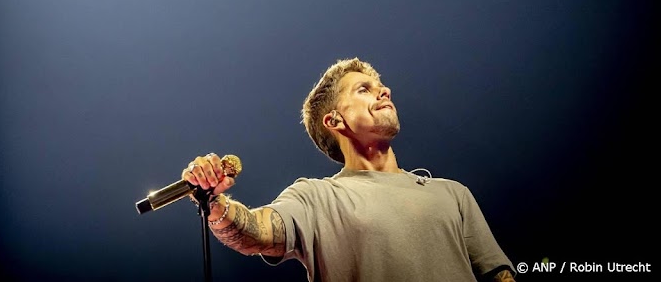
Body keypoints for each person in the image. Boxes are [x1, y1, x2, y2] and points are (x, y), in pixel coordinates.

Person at [182, 56, 515, 282]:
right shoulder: (316, 197)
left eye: (380, 86)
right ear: (335, 120)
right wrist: (213, 201)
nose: (384, 91)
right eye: (363, 89)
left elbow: (499, 275)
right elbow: (256, 231)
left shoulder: (453, 193)